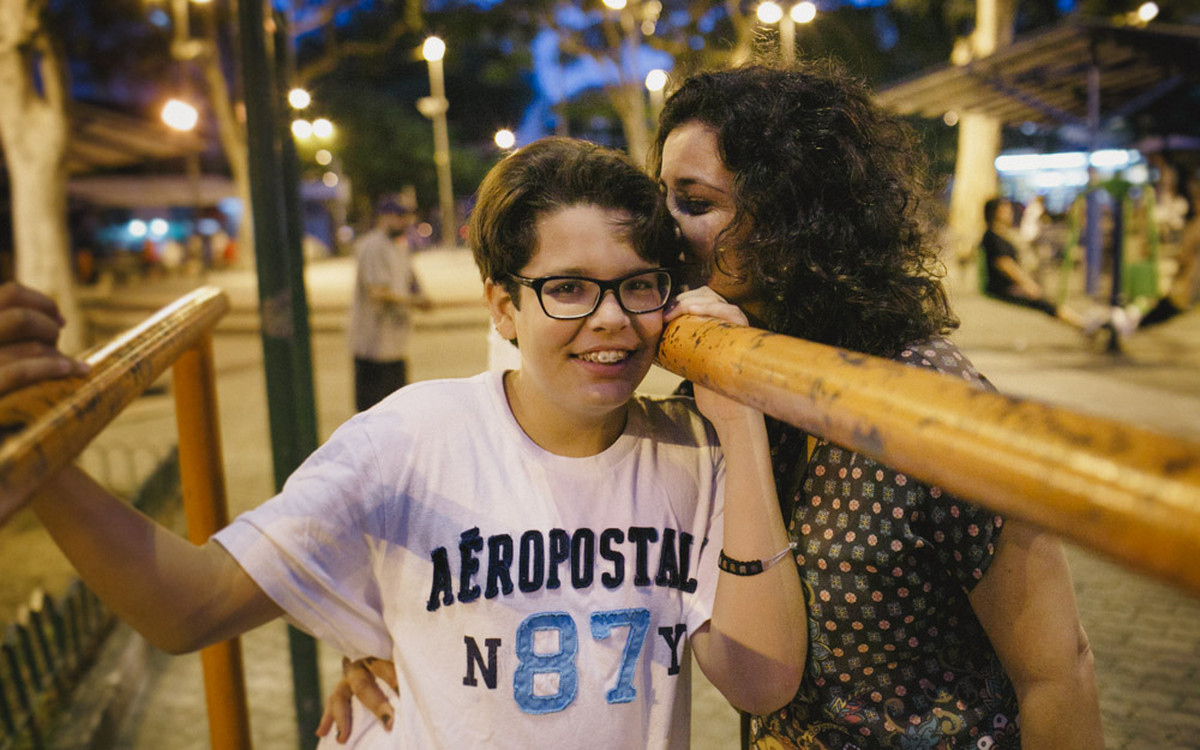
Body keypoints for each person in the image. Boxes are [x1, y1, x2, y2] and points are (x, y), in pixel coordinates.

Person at [327, 62, 1104, 750]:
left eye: (691, 202)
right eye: (662, 196)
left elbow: (1056, 672)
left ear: (793, 215)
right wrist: (395, 639)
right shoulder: (705, 374)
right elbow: (546, 516)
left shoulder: (921, 397)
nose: (661, 232)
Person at [1, 137, 806, 749]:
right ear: (501, 308)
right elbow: (186, 607)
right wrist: (40, 457)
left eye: (638, 285)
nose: (610, 319)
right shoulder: (408, 441)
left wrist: (739, 420)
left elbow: (761, 681)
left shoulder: (693, 452)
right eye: (566, 288)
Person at [981, 197, 1108, 335]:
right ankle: (1084, 325)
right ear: (995, 213)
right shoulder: (992, 237)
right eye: (1005, 210)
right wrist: (1027, 284)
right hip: (1004, 287)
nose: (1010, 213)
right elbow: (1005, 264)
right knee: (1045, 304)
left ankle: (1083, 324)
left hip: (1008, 286)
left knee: (1046, 303)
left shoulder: (999, 234)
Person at [349, 196, 429, 412]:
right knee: (373, 411)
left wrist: (420, 294)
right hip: (373, 345)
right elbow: (377, 292)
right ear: (385, 217)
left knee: (397, 408)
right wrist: (414, 302)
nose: (406, 222)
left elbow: (410, 279)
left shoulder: (399, 246)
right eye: (400, 217)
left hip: (394, 345)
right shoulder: (373, 246)